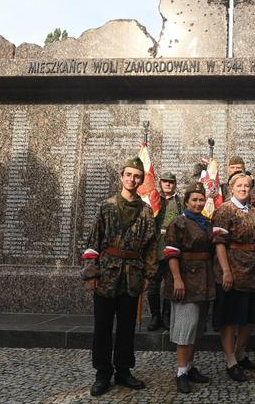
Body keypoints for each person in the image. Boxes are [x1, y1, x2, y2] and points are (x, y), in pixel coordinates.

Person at [81, 157, 158, 397]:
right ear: (121, 177)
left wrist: (149, 274)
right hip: (107, 274)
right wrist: (92, 273)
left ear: (141, 180)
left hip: (133, 276)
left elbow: (152, 247)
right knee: (102, 326)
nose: (132, 179)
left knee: (126, 326)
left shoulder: (146, 210)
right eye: (129, 175)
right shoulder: (107, 206)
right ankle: (102, 373)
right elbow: (93, 242)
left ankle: (123, 370)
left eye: (137, 176)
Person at [211, 172, 255, 382]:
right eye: (239, 185)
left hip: (251, 272)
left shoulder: (252, 210)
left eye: (247, 186)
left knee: (250, 318)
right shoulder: (224, 210)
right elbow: (219, 242)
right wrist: (226, 271)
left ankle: (241, 353)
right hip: (232, 270)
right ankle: (231, 360)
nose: (243, 189)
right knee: (230, 320)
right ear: (231, 188)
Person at [163, 182, 215, 394]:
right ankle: (181, 373)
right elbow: (171, 253)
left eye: (201, 199)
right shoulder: (179, 223)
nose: (198, 203)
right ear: (186, 202)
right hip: (185, 278)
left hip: (204, 279)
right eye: (194, 199)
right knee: (186, 327)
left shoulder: (206, 223)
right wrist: (177, 279)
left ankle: (190, 367)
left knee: (197, 327)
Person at [147, 171, 183, 331]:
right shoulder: (153, 201)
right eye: (165, 181)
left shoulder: (179, 202)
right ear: (160, 183)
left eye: (171, 182)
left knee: (169, 285)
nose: (168, 184)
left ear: (175, 184)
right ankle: (155, 316)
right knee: (153, 285)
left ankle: (167, 315)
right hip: (155, 248)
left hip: (171, 247)